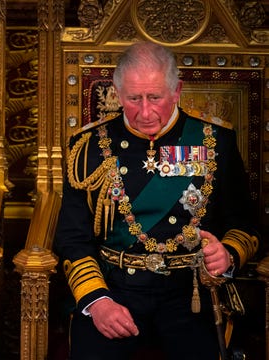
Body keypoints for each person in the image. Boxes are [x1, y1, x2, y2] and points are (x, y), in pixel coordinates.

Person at [53, 42, 259, 360]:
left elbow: (244, 222)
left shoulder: (215, 141)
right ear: (118, 94)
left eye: (155, 98)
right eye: (134, 99)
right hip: (115, 288)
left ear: (176, 91)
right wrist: (97, 300)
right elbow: (72, 237)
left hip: (191, 293)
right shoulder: (88, 147)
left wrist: (227, 255)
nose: (145, 112)